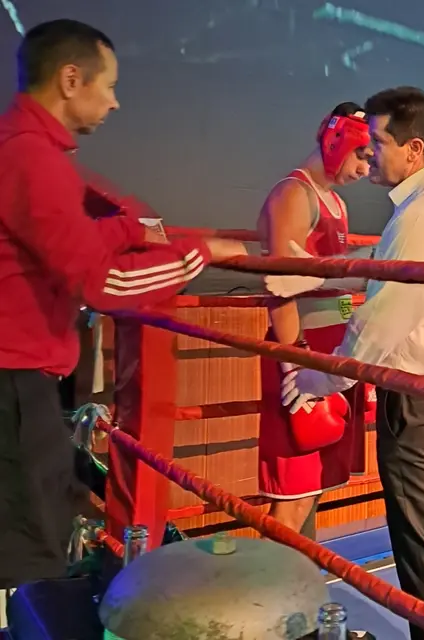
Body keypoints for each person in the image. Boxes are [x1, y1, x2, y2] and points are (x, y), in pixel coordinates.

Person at [0, 19, 245, 589]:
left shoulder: (23, 150)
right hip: (15, 385)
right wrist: (198, 254)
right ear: (70, 80)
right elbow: (103, 284)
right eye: (107, 85)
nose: (114, 102)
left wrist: (130, 229)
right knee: (31, 560)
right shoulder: (33, 159)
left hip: (20, 380)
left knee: (37, 536)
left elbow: (63, 241)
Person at [266, 87, 424, 638]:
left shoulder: (420, 215)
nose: (370, 157)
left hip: (419, 398)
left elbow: (382, 322)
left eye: (379, 144)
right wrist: (316, 273)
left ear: (413, 149)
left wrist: (319, 377)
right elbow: (386, 263)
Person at [256, 102, 373, 536]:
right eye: (361, 155)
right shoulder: (294, 194)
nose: (365, 169)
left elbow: (333, 283)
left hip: (332, 350)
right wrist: (296, 360)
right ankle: (273, 580)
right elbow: (280, 285)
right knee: (293, 493)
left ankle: (301, 574)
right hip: (302, 353)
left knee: (316, 484)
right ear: (337, 138)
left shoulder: (336, 203)